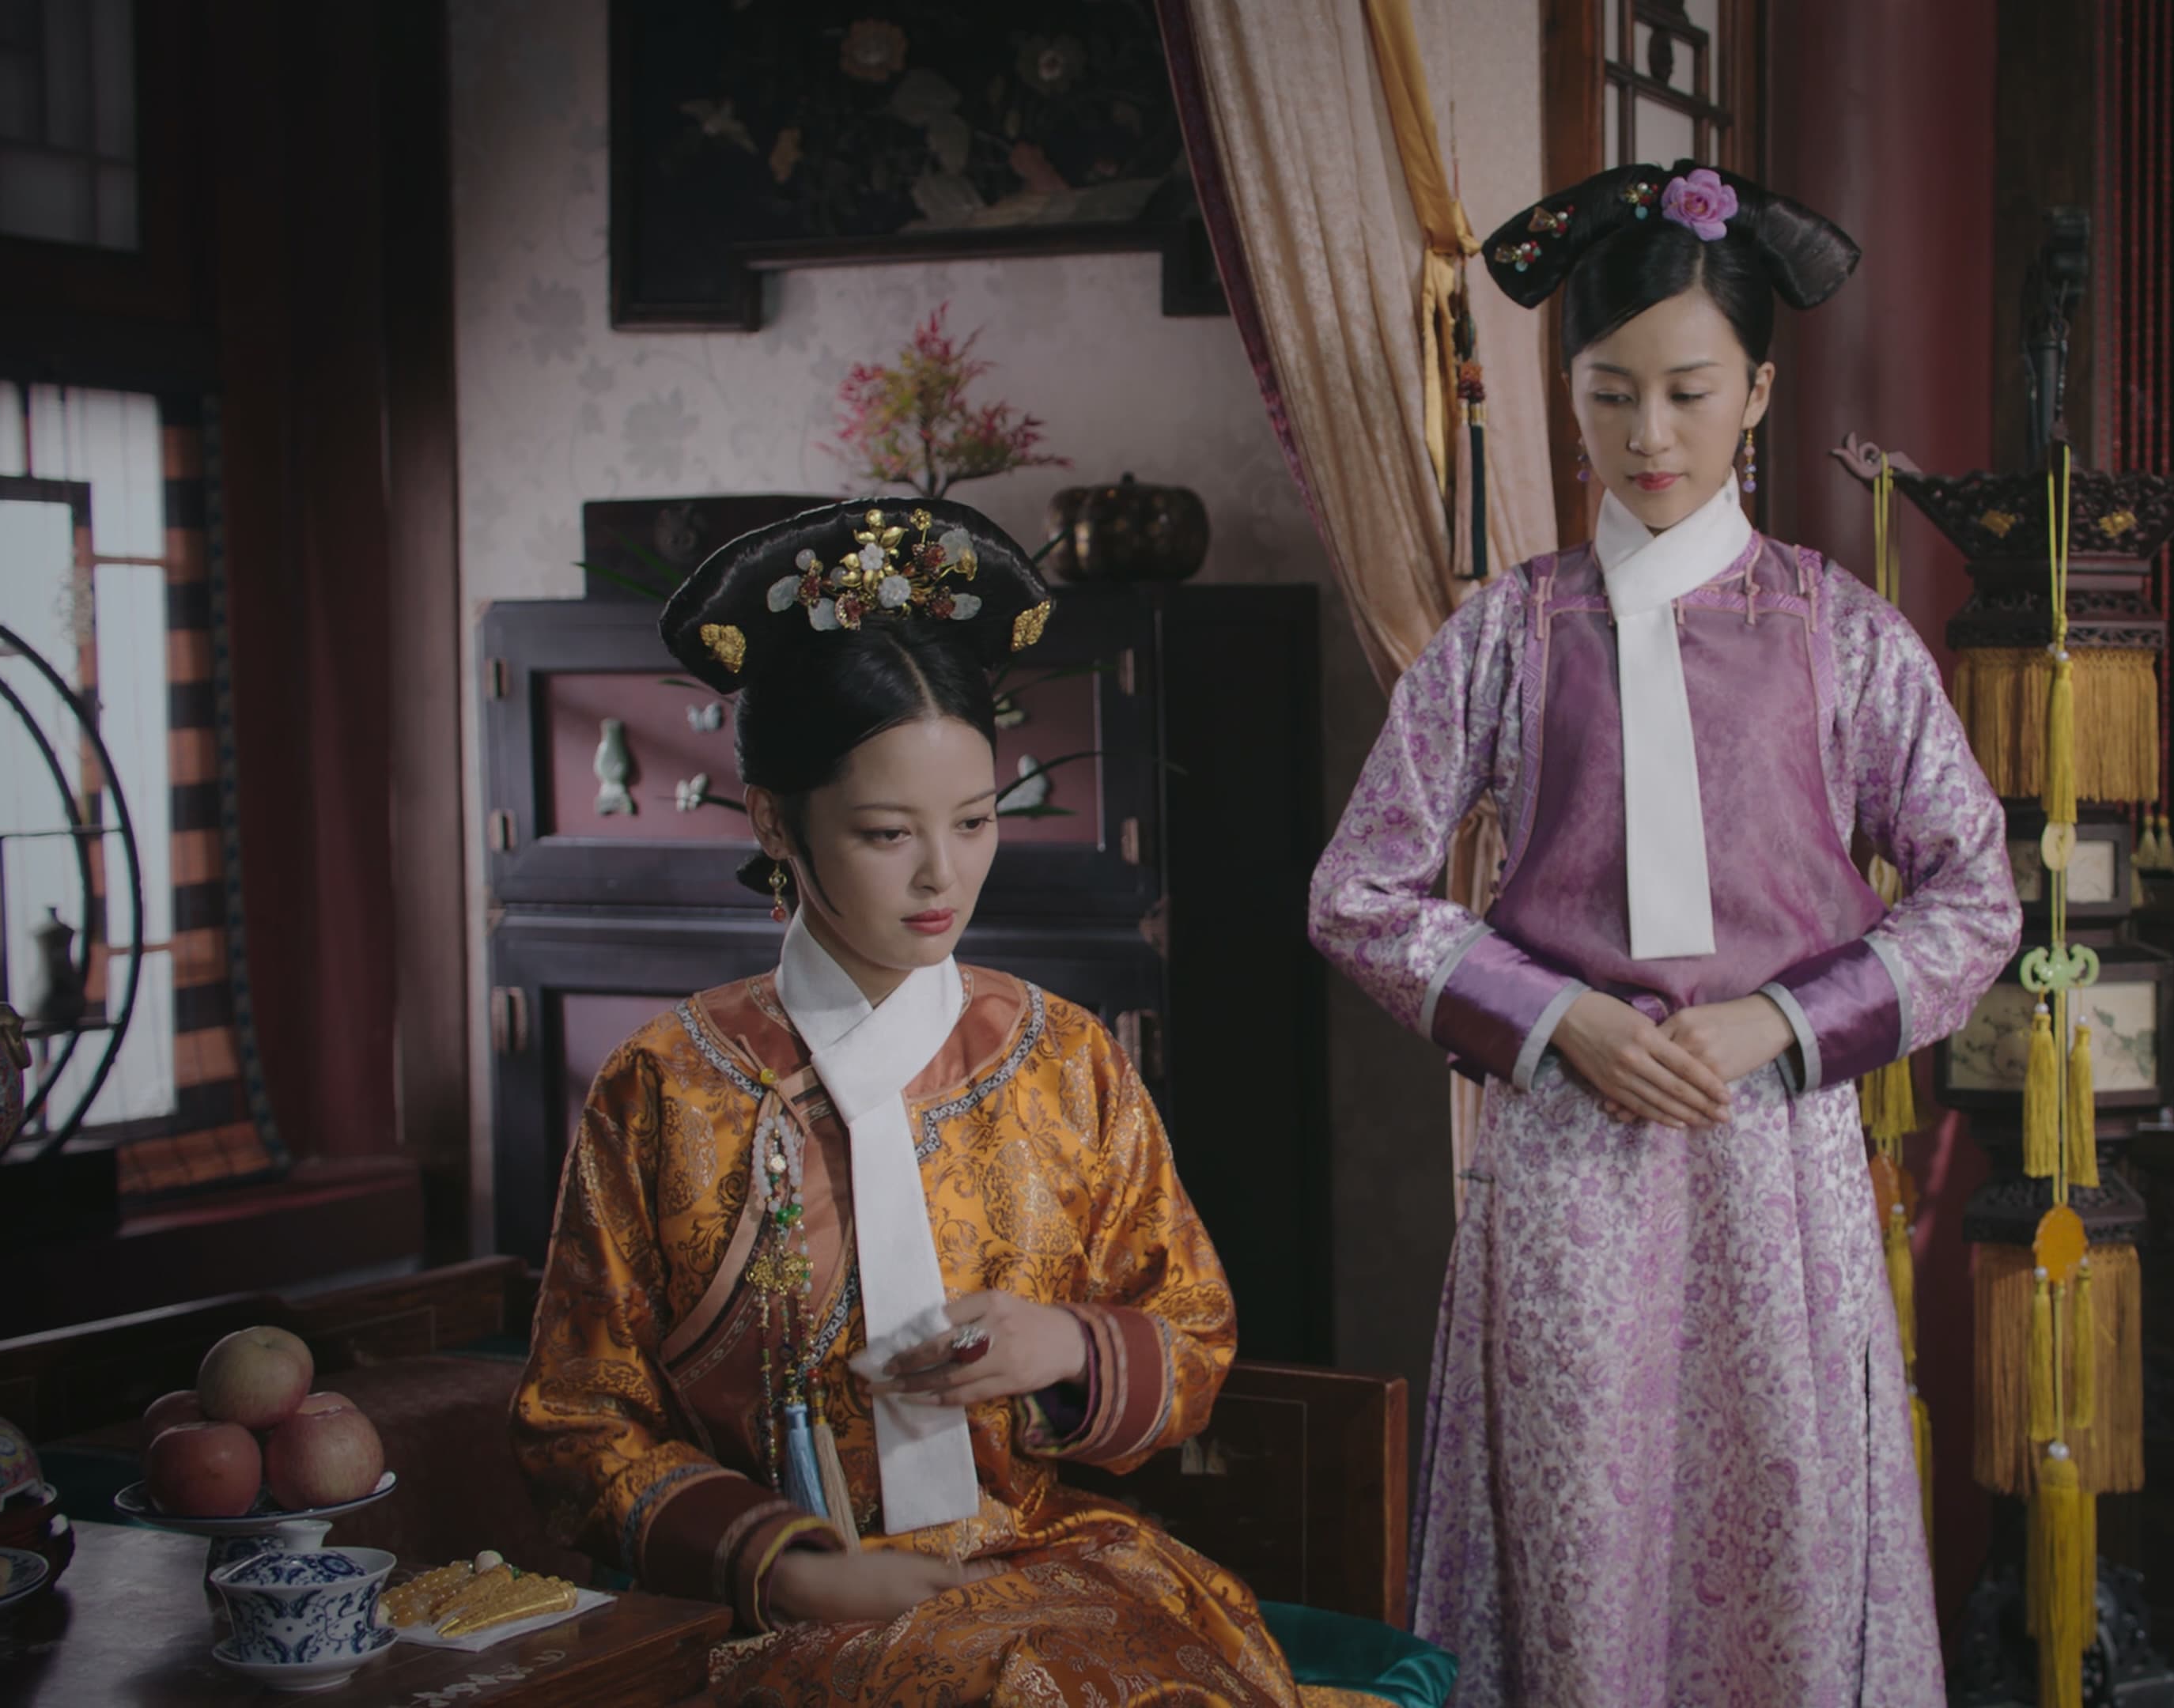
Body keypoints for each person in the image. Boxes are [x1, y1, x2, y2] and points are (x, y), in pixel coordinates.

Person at [1308, 162, 2019, 1705]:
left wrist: (1782, 1023)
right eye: (1610, 392)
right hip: (1567, 1158)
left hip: (1775, 1154)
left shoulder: (1843, 635)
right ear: (1566, 393)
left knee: (1791, 1528)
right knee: (1581, 1540)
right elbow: (1359, 893)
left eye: (1691, 393)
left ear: (1756, 393)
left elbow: (1976, 899)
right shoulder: (1506, 633)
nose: (1649, 436)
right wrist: (1561, 1020)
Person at [511, 500, 1315, 1706]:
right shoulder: (669, 1088)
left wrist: (1066, 1347)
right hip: (779, 1613)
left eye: (976, 821)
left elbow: (1191, 1329)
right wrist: (791, 1568)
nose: (945, 874)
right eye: (889, 833)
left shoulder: (1063, 1058)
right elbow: (578, 1421)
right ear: (777, 821)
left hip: (1038, 1559)